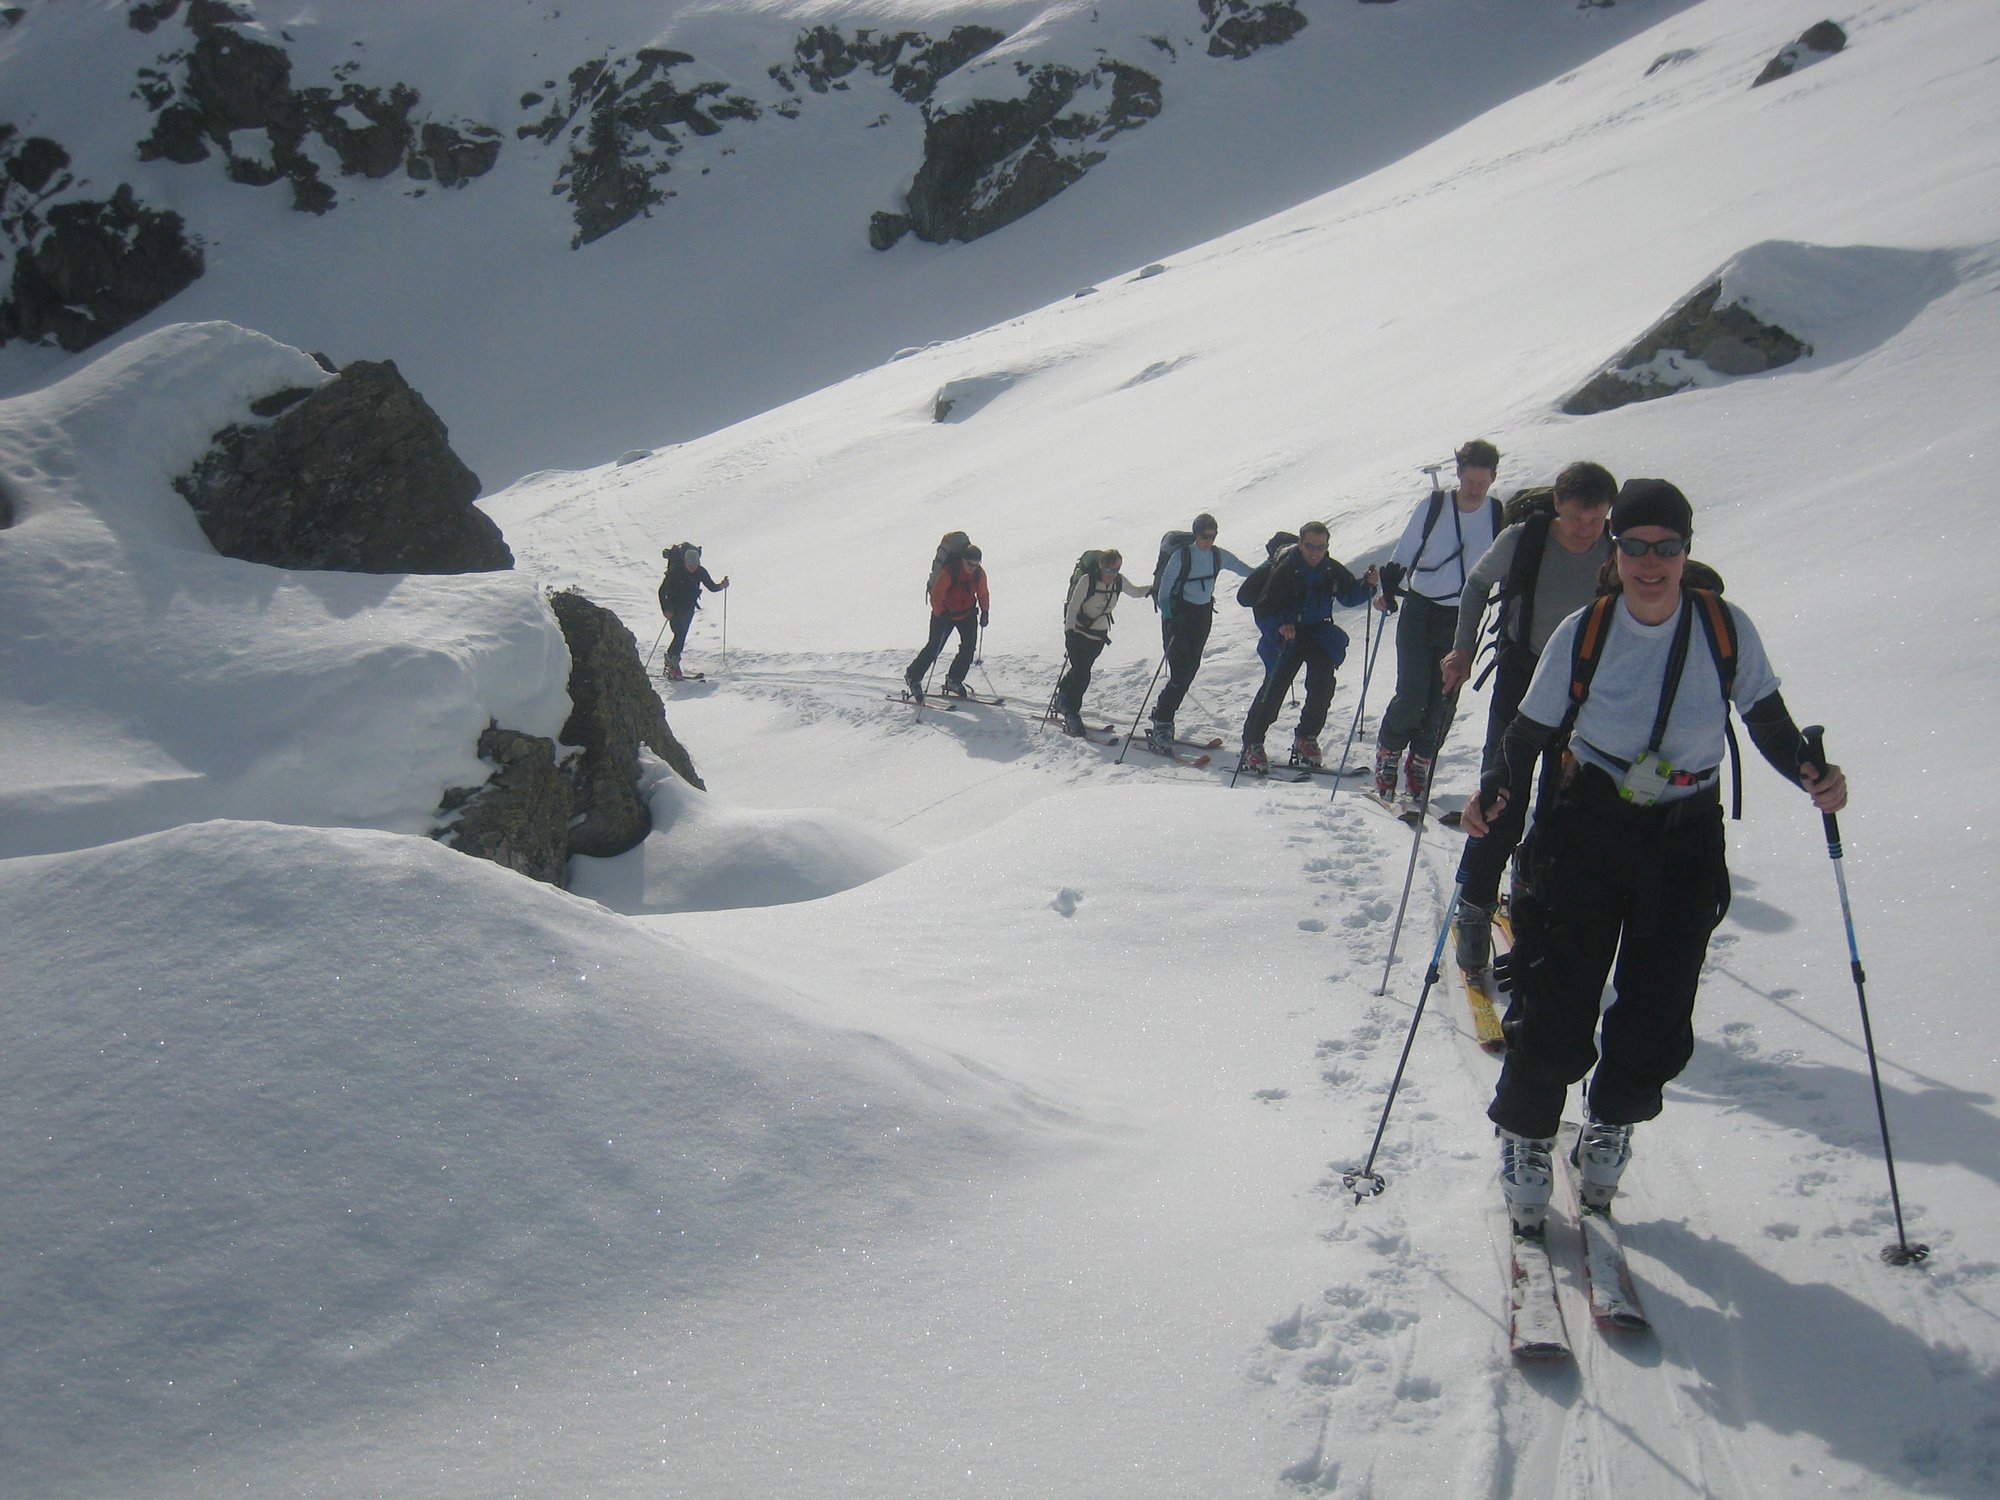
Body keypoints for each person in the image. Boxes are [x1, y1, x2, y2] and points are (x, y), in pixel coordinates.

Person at [1458, 478, 1847, 1236]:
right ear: (1616, 550)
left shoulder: (1724, 627)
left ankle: (1610, 1124)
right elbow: (1526, 732)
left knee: (1660, 1002)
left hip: (1686, 831)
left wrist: (1809, 771)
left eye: (1666, 547)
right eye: (1635, 545)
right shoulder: (1586, 630)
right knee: (1557, 990)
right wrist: (1497, 788)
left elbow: (1766, 715)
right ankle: (1529, 1135)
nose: (1650, 561)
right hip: (1586, 823)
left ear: (1685, 551)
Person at [1440, 461, 1617, 969]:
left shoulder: (1616, 549)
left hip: (1585, 690)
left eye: (1597, 519)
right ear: (1558, 505)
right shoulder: (1524, 539)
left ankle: (1531, 886)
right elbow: (1476, 585)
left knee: (1564, 801)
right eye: (1577, 517)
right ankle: (1474, 905)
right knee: (1501, 795)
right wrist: (1462, 648)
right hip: (1522, 675)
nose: (1586, 529)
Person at [1373, 440, 1505, 802]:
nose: (1475, 489)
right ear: (1458, 474)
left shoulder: (1496, 513)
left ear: (1493, 478)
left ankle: (1421, 759)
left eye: (1482, 482)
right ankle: (1389, 752)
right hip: (1420, 608)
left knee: (1444, 697)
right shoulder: (1433, 506)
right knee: (1412, 692)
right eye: (1470, 480)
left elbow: (1501, 562)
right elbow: (1405, 551)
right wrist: (1387, 588)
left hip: (1463, 616)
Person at [1239, 522, 1377, 774]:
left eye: (1320, 547)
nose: (1315, 552)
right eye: (1310, 546)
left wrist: (1367, 585)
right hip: (1286, 634)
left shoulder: (1330, 568)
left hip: (1316, 632)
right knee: (1275, 687)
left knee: (1323, 683)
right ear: (1300, 544)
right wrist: (1280, 627)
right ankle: (1252, 743)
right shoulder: (1284, 570)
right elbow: (1263, 608)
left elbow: (1349, 595)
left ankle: (1306, 737)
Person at [1147, 512, 1252, 754]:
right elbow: (1164, 592)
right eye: (1205, 536)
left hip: (1202, 616)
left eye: (1213, 536)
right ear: (1196, 534)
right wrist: (1168, 617)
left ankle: (1164, 716)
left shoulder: (1217, 555)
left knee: (1191, 669)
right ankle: (1162, 719)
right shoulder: (1182, 556)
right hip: (1179, 615)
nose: (1209, 540)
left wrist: (1270, 568)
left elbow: (1243, 569)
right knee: (1180, 672)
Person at [1058, 549, 1149, 735]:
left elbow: (1136, 592)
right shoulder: (1087, 581)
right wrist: (1069, 633)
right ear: (1101, 565)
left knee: (1081, 669)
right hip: (1078, 634)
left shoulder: (1119, 581)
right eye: (1109, 569)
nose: (1112, 574)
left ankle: (1063, 696)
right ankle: (1071, 711)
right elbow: (1073, 608)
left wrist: (1156, 588)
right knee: (1083, 674)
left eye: (1116, 569)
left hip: (1098, 636)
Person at [906, 542, 990, 701]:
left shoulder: (979, 573)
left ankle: (954, 679)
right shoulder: (950, 572)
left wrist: (985, 611)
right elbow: (936, 595)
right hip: (945, 615)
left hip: (967, 614)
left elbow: (983, 593)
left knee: (968, 649)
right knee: (934, 648)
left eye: (976, 564)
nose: (972, 568)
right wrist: (941, 613)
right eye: (970, 564)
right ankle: (913, 677)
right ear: (963, 560)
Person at [657, 543, 729, 680]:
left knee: (681, 634)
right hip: (674, 606)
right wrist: (665, 609)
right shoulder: (675, 572)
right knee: (680, 633)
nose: (692, 568)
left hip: (689, 607)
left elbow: (711, 587)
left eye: (695, 565)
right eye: (690, 566)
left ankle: (671, 660)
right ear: (685, 562)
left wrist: (722, 585)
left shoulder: (700, 572)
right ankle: (673, 662)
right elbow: (662, 591)